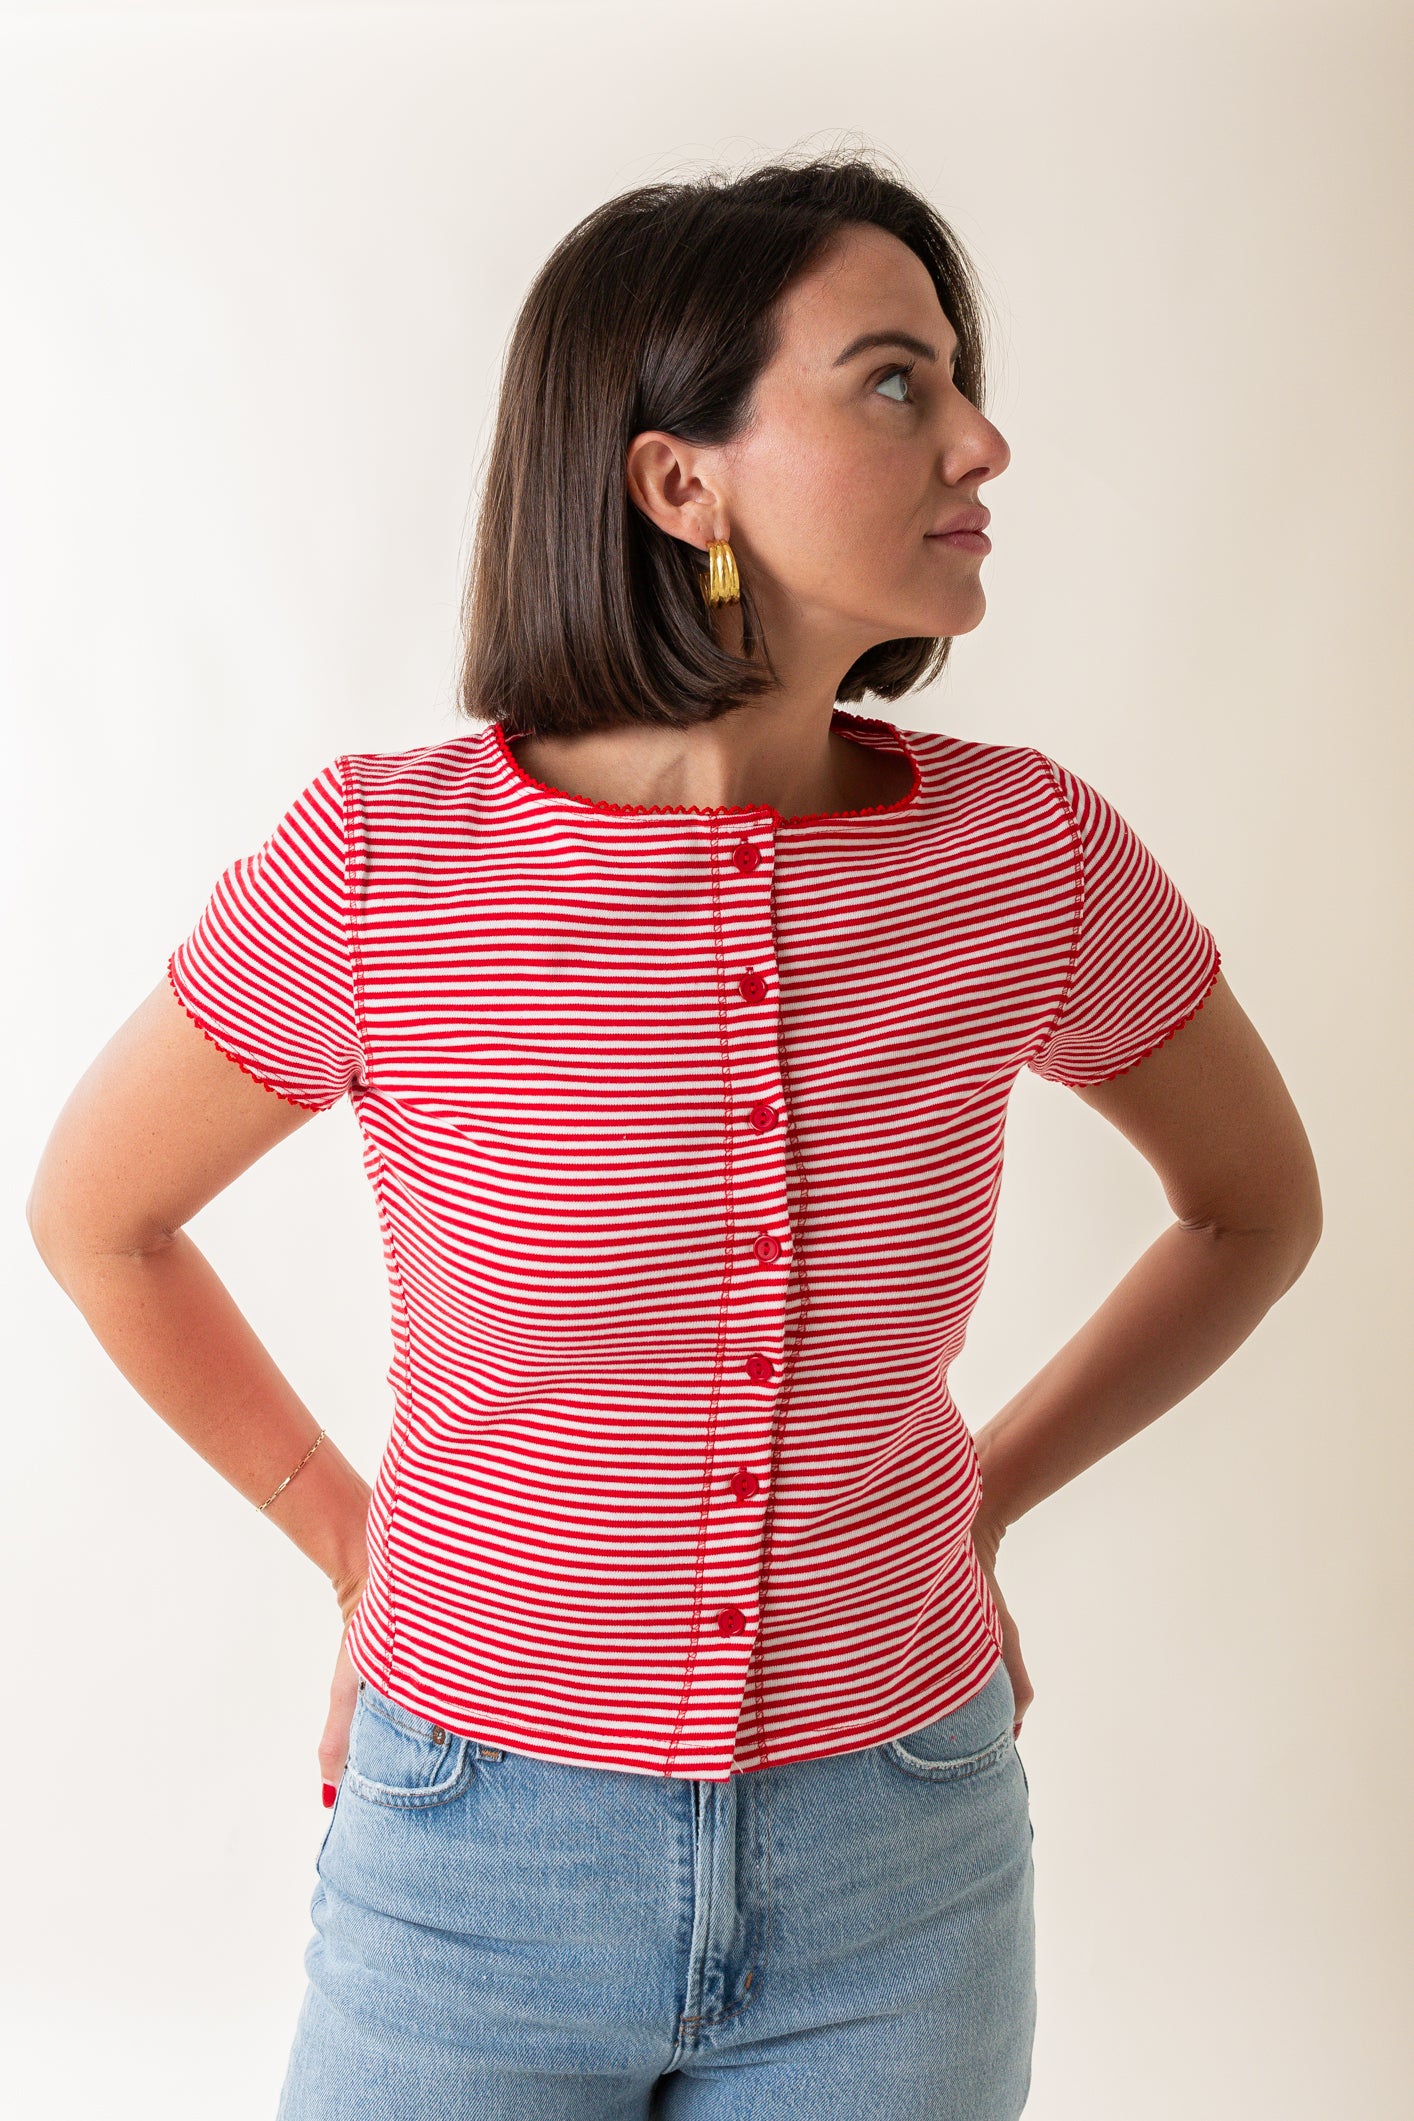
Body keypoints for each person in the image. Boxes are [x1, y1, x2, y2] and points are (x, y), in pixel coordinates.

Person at [26, 150, 1322, 2120]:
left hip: (900, 1858)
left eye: (958, 378)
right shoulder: (380, 863)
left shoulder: (1025, 855)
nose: (979, 439)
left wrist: (974, 1501)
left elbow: (1248, 1208)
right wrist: (344, 1533)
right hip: (470, 1855)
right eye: (892, 381)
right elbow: (98, 1214)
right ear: (675, 481)